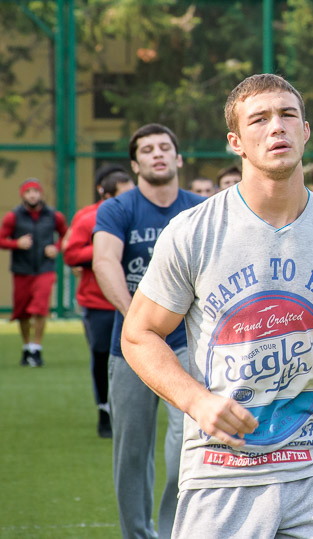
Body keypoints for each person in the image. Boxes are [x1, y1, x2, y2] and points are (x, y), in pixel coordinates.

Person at [121, 74, 313, 538]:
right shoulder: (193, 231)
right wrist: (197, 401)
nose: (277, 128)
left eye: (288, 115)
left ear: (306, 131)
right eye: (260, 119)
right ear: (236, 142)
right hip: (220, 472)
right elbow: (138, 334)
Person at [92, 123, 204, 539]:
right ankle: (137, 534)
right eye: (147, 149)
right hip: (132, 349)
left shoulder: (199, 208)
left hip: (189, 347)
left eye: (164, 147)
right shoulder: (118, 209)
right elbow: (105, 262)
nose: (157, 154)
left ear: (178, 158)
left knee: (187, 450)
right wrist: (138, 322)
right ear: (135, 162)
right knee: (131, 455)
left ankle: (175, 530)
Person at [62, 164, 135, 437]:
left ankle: (130, 411)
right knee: (102, 356)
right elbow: (70, 254)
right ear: (105, 195)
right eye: (122, 195)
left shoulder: (138, 213)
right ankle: (104, 410)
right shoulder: (86, 218)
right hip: (98, 303)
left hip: (137, 300)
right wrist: (106, 245)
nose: (129, 200)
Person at [0, 178, 67, 367]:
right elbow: (1, 239)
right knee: (22, 313)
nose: (32, 195)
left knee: (39, 309)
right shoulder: (13, 216)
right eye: (28, 191)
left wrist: (56, 247)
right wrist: (16, 243)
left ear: (41, 194)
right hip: (22, 270)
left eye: (35, 191)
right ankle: (27, 346)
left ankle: (37, 349)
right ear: (23, 194)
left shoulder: (53, 215)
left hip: (45, 269)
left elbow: (65, 235)